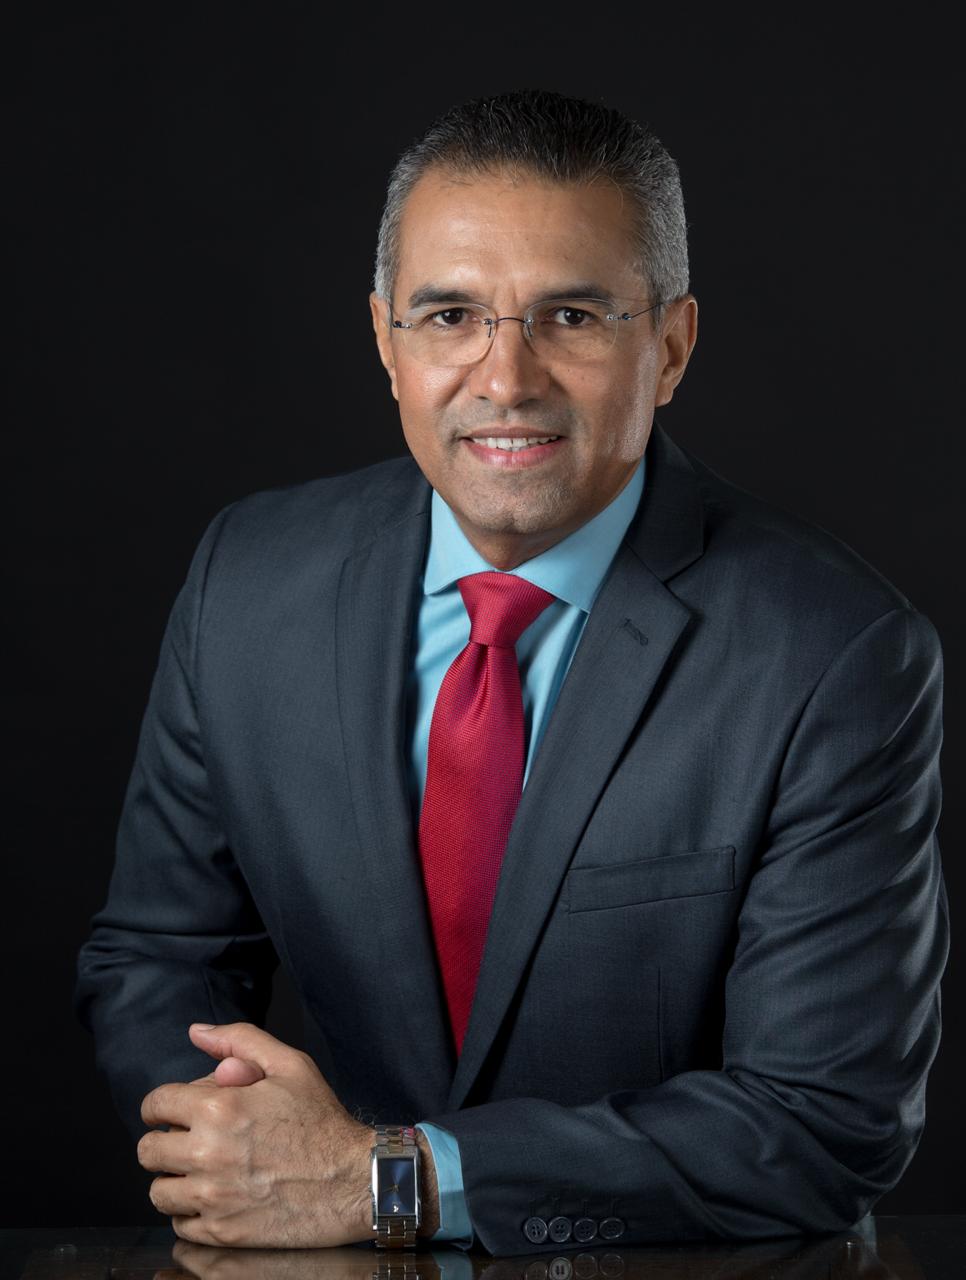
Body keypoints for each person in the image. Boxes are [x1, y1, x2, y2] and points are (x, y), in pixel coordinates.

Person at [75, 88, 948, 1257]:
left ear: (671, 345)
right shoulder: (248, 583)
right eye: (450, 315)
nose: (505, 377)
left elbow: (820, 1122)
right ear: (386, 340)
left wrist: (388, 1179)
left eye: (571, 315)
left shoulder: (833, 655)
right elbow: (158, 955)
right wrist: (239, 1143)